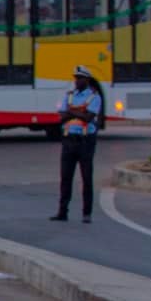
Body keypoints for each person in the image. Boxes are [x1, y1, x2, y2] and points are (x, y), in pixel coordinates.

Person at [50, 65, 103, 223]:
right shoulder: (70, 95)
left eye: (80, 78)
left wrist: (71, 112)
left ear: (87, 80)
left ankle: (86, 214)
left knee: (86, 178)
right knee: (65, 178)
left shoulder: (94, 97)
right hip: (69, 141)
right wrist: (79, 112)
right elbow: (61, 118)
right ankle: (62, 212)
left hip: (85, 142)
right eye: (76, 78)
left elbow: (88, 117)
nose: (76, 81)